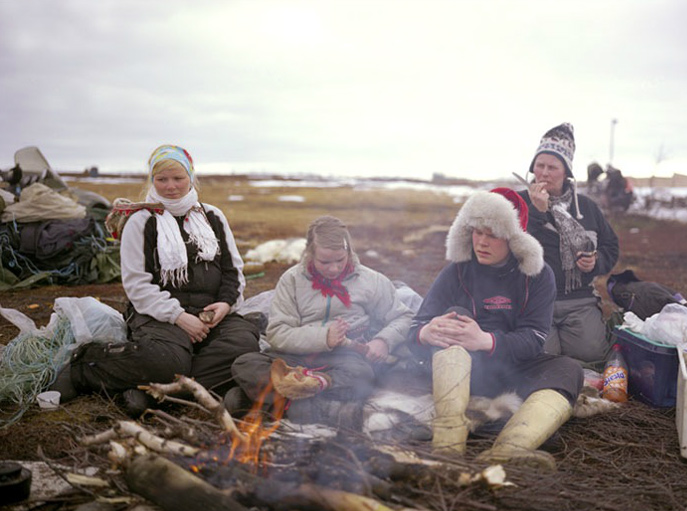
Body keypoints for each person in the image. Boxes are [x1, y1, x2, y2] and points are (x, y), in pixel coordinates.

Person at [50, 144, 261, 415]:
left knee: (244, 345)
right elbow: (137, 286)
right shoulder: (141, 221)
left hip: (211, 316)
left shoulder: (213, 217)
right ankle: (86, 367)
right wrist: (179, 317)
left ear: (191, 178)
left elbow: (233, 271)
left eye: (178, 178)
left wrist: (224, 304)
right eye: (162, 179)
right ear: (152, 180)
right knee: (167, 363)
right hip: (159, 316)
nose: (171, 186)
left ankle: (154, 395)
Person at [407, 188, 583, 469]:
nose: (481, 243)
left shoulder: (537, 275)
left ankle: (510, 448)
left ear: (514, 239)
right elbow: (415, 327)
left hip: (513, 368)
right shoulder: (456, 271)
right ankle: (448, 441)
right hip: (460, 374)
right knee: (456, 320)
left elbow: (535, 338)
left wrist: (486, 341)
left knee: (569, 369)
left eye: (493, 235)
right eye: (477, 232)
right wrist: (424, 332)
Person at [228, 215, 414, 429]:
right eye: (325, 262)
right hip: (293, 359)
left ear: (349, 251)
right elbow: (278, 333)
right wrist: (323, 337)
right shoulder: (292, 280)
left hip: (343, 361)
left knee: (362, 375)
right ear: (309, 252)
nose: (334, 269)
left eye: (340, 260)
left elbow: (403, 317)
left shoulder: (372, 281)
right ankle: (310, 407)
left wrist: (383, 341)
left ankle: (283, 402)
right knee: (244, 364)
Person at [521, 123, 620, 365]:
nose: (544, 173)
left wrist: (595, 263)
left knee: (593, 354)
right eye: (539, 165)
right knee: (542, 357)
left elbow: (610, 246)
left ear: (566, 172)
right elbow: (513, 248)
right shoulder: (518, 203)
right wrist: (536, 213)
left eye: (552, 167)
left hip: (579, 300)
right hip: (532, 300)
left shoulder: (586, 207)